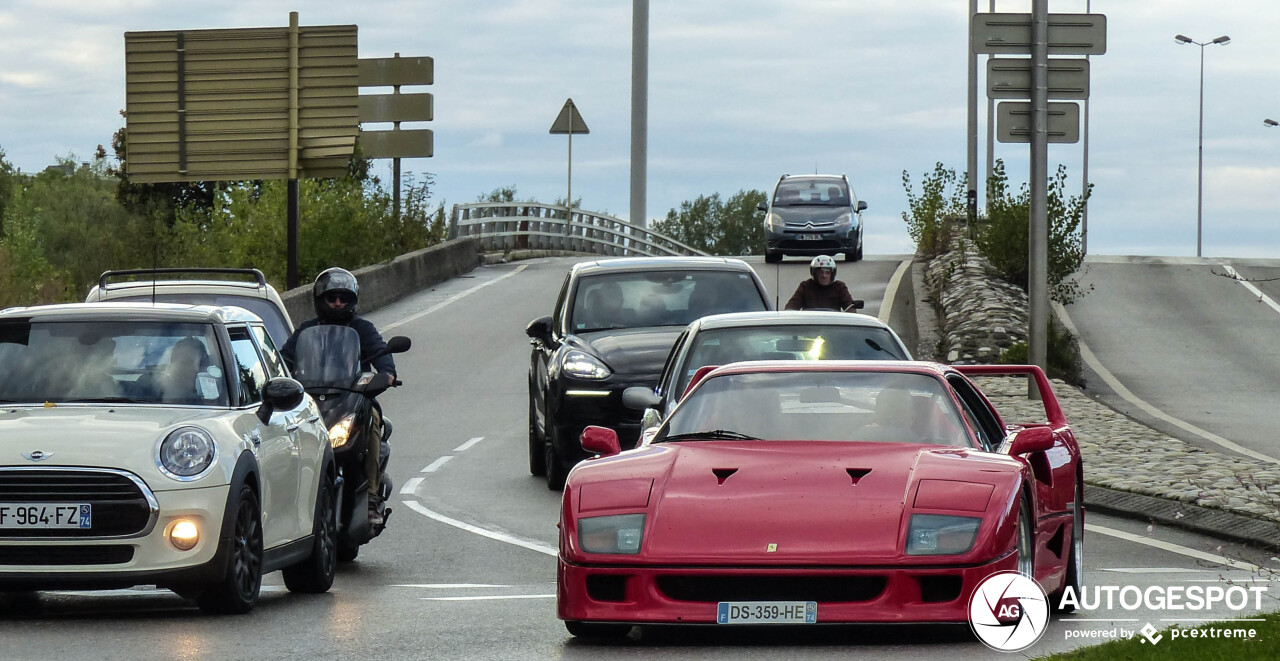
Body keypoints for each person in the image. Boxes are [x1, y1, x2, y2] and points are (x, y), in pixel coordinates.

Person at [281, 267, 397, 526]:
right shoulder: (306, 331)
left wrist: (386, 374)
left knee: (373, 422)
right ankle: (286, 500)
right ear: (320, 299)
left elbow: (381, 355)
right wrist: (278, 376)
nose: (337, 303)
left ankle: (371, 497)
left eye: (343, 299)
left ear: (352, 301)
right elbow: (283, 360)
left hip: (353, 399)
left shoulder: (363, 328)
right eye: (332, 298)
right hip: (312, 401)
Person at [784, 255, 857, 311]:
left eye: (827, 272)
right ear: (814, 273)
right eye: (820, 272)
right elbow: (793, 304)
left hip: (833, 324)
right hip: (809, 324)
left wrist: (852, 311)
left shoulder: (839, 286)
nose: (824, 275)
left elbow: (849, 306)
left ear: (833, 274)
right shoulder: (805, 286)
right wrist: (789, 311)